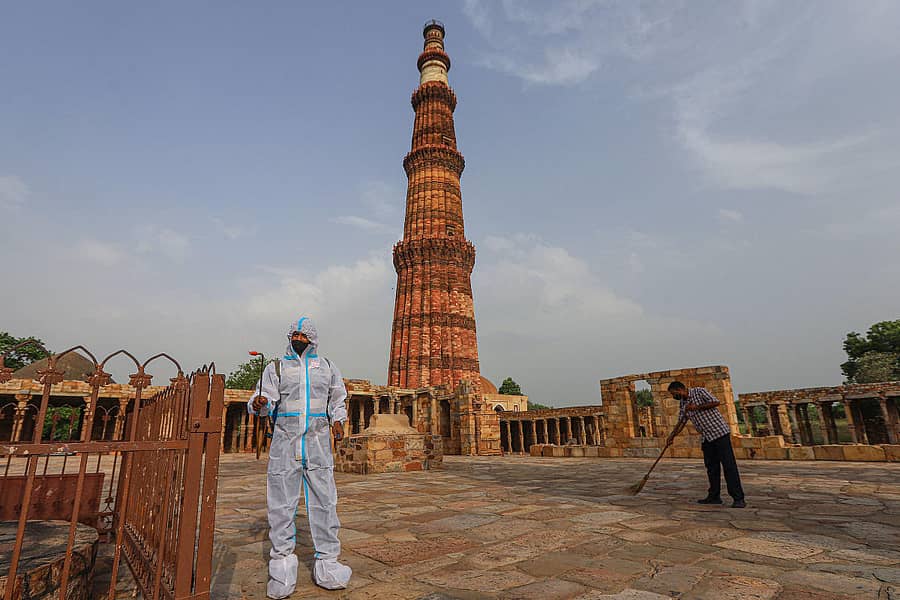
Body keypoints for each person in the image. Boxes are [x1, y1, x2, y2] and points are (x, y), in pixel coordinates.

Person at [248, 316, 352, 597]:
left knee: (325, 502)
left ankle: (328, 562)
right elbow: (263, 398)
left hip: (317, 443)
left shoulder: (327, 367)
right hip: (285, 443)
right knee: (281, 505)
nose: (298, 339)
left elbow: (337, 398)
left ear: (313, 339)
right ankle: (281, 566)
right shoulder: (277, 368)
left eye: (303, 335)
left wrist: (338, 420)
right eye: (295, 334)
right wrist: (259, 403)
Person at [666, 381, 746, 508]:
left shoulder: (699, 392)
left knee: (729, 466)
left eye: (674, 393)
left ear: (680, 389)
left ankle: (738, 498)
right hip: (707, 437)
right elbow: (681, 422)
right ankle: (714, 496)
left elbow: (716, 402)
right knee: (711, 468)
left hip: (719, 433)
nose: (673, 396)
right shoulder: (683, 404)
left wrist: (696, 407)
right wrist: (671, 436)